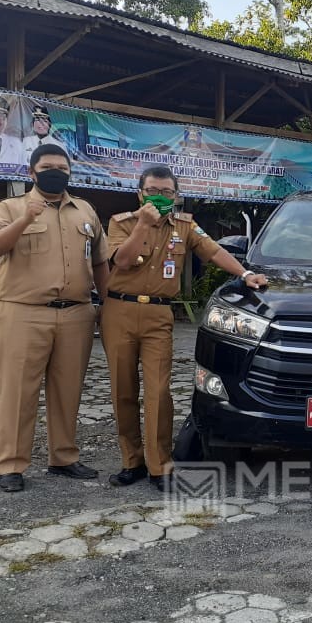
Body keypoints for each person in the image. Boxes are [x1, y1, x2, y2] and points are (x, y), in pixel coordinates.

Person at [102, 165, 267, 491]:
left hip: (159, 316)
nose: (159, 197)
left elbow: (214, 251)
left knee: (159, 392)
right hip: (119, 311)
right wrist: (144, 225)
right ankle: (131, 461)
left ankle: (159, 466)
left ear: (176, 196)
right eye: (152, 190)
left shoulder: (185, 226)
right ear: (140, 193)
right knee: (123, 390)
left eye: (166, 192)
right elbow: (121, 261)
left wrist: (245, 274)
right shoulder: (121, 223)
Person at [0, 144, 109, 492]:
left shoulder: (85, 211)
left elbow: (99, 262)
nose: (56, 172)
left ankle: (63, 458)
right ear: (31, 173)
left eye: (62, 167)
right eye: (48, 166)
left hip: (77, 314)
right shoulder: (9, 207)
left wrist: (107, 306)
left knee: (68, 391)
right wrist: (24, 219)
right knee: (18, 391)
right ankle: (11, 465)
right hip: (23, 313)